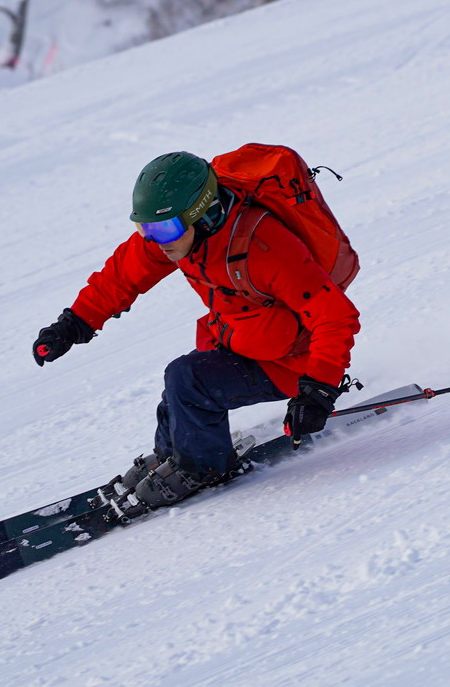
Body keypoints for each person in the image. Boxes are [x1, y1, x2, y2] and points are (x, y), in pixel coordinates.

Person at [32, 150, 361, 516]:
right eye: (145, 229)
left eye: (164, 228)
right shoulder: (177, 238)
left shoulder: (266, 246)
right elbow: (122, 274)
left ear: (201, 215)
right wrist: (75, 322)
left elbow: (335, 316)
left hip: (290, 360)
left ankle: (200, 468)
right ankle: (172, 454)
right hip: (240, 337)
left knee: (188, 381)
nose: (155, 240)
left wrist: (318, 390)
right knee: (181, 389)